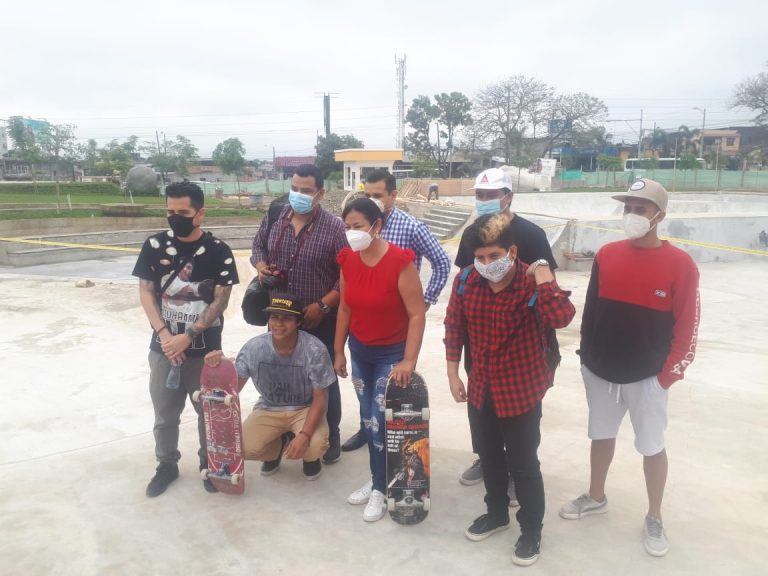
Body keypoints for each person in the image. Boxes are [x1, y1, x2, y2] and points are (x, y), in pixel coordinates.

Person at [558, 179, 700, 558]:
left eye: (641, 208)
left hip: (648, 377)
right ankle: (596, 495)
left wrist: (667, 376)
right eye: (628, 208)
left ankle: (654, 515)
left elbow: (687, 326)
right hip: (601, 369)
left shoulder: (681, 265)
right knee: (600, 436)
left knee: (652, 446)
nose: (632, 215)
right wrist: (586, 357)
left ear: (659, 216)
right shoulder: (607, 254)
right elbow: (592, 311)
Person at [444, 213, 575, 566]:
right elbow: (454, 325)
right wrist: (453, 372)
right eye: (481, 258)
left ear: (512, 251)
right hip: (482, 386)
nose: (488, 264)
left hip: (521, 388)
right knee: (489, 457)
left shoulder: (531, 281)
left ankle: (531, 530)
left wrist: (545, 276)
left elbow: (561, 317)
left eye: (494, 256)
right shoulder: (466, 281)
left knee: (524, 465)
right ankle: (497, 513)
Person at [455, 168, 559, 501]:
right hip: (483, 341)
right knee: (482, 408)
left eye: (491, 194)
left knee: (524, 413)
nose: (484, 201)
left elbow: (548, 286)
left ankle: (520, 467)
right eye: (479, 195)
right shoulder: (473, 234)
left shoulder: (531, 234)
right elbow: (465, 280)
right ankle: (487, 460)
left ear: (508, 196)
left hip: (527, 347)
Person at [133, 181, 239, 497]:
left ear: (200, 213)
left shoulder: (219, 251)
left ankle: (210, 464)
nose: (175, 217)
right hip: (164, 348)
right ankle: (166, 465)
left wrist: (188, 337)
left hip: (206, 352)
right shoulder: (153, 245)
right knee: (165, 415)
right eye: (170, 211)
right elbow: (146, 292)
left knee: (210, 414)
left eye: (183, 212)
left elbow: (221, 300)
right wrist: (166, 335)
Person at [341, 168, 450, 454]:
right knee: (369, 399)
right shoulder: (358, 229)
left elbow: (441, 262)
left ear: (393, 195)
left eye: (379, 195)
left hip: (396, 329)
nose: (374, 200)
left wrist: (425, 300)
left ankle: (394, 445)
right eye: (369, 195)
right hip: (365, 325)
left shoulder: (411, 227)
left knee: (391, 396)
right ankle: (368, 432)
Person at [334, 198, 426, 522]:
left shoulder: (400, 262)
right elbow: (345, 308)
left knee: (378, 424)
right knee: (368, 420)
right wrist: (338, 350)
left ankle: (380, 488)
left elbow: (417, 314)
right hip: (361, 353)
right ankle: (378, 481)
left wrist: (408, 361)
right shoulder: (347, 260)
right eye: (347, 226)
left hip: (391, 354)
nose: (351, 233)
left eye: (357, 226)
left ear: (377, 226)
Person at [251, 164, 348, 465]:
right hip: (280, 317)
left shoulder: (334, 227)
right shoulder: (276, 217)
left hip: (318, 317)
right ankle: (282, 434)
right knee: (280, 374)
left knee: (323, 379)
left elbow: (347, 274)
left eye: (306, 191)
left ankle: (330, 434)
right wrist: (261, 265)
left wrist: (323, 306)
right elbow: (257, 247)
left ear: (320, 193)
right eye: (295, 188)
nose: (299, 195)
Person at [203, 293, 334, 480]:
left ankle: (309, 458)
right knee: (242, 448)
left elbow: (321, 397)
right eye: (274, 317)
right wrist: (218, 366)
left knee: (315, 446)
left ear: (298, 322)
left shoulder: (314, 349)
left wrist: (304, 435)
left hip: (304, 408)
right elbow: (231, 389)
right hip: (269, 407)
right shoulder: (254, 348)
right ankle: (277, 448)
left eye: (287, 318)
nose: (279, 324)